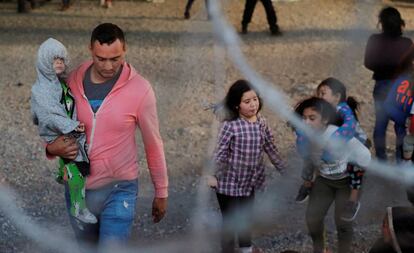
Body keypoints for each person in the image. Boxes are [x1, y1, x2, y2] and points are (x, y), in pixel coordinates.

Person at [45, 23, 168, 250]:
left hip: (119, 187)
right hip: (77, 188)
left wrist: (161, 191)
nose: (108, 66)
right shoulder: (71, 81)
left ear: (125, 50)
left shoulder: (140, 90)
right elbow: (53, 126)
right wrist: (51, 148)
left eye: (116, 58)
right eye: (101, 59)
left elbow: (154, 143)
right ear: (91, 49)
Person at [207, 79, 286, 253]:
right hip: (228, 183)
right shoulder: (230, 126)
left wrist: (285, 170)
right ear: (236, 105)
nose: (253, 105)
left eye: (255, 99)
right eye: (247, 101)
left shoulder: (261, 123)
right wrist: (212, 174)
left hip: (249, 182)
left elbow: (270, 148)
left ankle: (246, 249)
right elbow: (220, 152)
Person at [31, 38, 97, 224]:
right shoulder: (41, 89)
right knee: (79, 172)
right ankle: (79, 209)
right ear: (44, 63)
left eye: (61, 59)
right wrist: (71, 126)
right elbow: (48, 114)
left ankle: (62, 173)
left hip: (66, 131)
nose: (59, 63)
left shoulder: (59, 84)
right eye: (54, 60)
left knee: (73, 162)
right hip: (60, 133)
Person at [295, 97, 371, 253]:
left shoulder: (339, 136)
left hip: (346, 182)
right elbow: (310, 160)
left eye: (312, 118)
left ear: (325, 121)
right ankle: (319, 249)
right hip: (324, 180)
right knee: (312, 218)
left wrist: (354, 192)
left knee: (343, 223)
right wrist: (309, 180)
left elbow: (364, 157)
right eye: (304, 118)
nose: (306, 123)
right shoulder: (305, 137)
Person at [295, 78, 369, 222]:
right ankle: (308, 184)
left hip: (355, 145)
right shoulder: (321, 110)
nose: (319, 97)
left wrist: (331, 145)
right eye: (318, 93)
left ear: (336, 97)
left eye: (323, 93)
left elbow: (349, 127)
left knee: (355, 171)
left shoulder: (343, 108)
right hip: (330, 144)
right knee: (310, 159)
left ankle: (353, 201)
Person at [364, 6, 414, 162]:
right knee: (401, 126)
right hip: (402, 88)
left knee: (380, 125)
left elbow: (368, 63)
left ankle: (381, 160)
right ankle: (401, 161)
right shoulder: (407, 43)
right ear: (400, 23)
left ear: (381, 23)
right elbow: (409, 67)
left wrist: (384, 67)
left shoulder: (374, 40)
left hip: (382, 87)